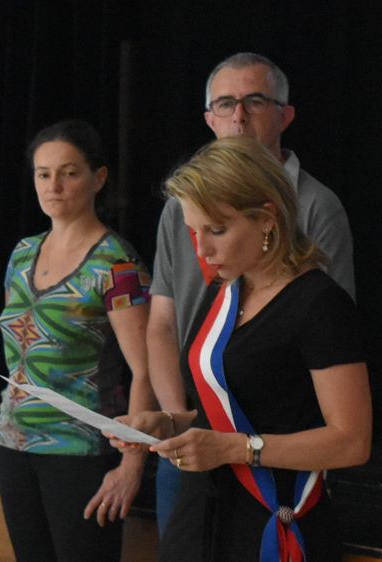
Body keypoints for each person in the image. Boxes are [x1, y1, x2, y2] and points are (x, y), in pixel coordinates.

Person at [117, 135, 371, 561]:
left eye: (217, 230)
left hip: (274, 522)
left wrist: (236, 449)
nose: (202, 250)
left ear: (267, 218)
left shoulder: (320, 304)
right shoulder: (230, 291)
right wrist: (168, 424)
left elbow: (352, 442)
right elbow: (237, 407)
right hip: (201, 516)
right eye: (194, 231)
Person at [143, 51, 356, 535]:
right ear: (208, 118)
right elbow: (161, 324)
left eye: (254, 102)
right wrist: (177, 420)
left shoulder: (317, 236)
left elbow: (339, 404)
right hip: (203, 430)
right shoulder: (188, 221)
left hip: (278, 463)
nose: (238, 116)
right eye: (225, 103)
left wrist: (238, 445)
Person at [0, 119, 151, 562]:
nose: (54, 185)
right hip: (13, 443)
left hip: (81, 451)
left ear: (98, 178)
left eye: (69, 172)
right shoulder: (22, 253)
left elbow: (146, 370)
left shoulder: (117, 264)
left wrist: (132, 465)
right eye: (43, 174)